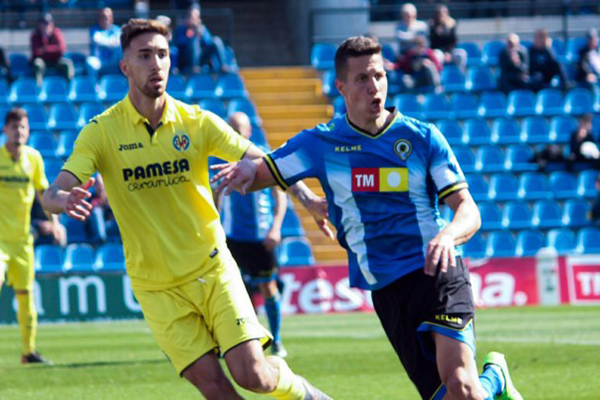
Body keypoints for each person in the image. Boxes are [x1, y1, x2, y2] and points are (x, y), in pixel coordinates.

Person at [212, 36, 523, 400]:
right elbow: (266, 170)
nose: (373, 86)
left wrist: (448, 236)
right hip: (386, 289)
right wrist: (245, 174)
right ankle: (496, 377)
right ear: (341, 87)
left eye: (378, 75)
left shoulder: (423, 139)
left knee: (462, 387)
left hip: (437, 271)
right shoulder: (321, 145)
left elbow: (468, 209)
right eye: (362, 78)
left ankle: (485, 381)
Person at [41, 19, 331, 399]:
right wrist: (63, 200)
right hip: (156, 287)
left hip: (211, 269)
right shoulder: (102, 132)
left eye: (162, 54)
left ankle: (304, 392)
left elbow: (264, 159)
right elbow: (51, 194)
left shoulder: (197, 122)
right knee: (216, 390)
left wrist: (308, 199)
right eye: (144, 56)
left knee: (253, 375)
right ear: (125, 66)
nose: (156, 64)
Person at [218, 112, 289, 358]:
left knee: (267, 287)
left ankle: (277, 339)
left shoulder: (263, 158)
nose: (237, 133)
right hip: (231, 237)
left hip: (260, 237)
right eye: (232, 128)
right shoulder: (219, 157)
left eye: (241, 129)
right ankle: (237, 340)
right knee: (227, 289)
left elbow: (281, 193)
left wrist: (276, 227)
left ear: (249, 131)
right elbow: (215, 195)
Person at [1, 107, 56, 365]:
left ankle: (28, 352)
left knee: (26, 299)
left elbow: (43, 194)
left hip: (23, 242)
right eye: (14, 127)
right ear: (5, 130)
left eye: (23, 127)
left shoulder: (34, 159)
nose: (19, 131)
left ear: (28, 130)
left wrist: (55, 223)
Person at [173, 5, 230, 74]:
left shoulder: (202, 29)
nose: (196, 20)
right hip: (186, 59)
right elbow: (179, 43)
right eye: (193, 18)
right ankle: (194, 67)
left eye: (197, 17)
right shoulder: (182, 28)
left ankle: (223, 66)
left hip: (201, 58)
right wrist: (190, 36)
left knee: (216, 40)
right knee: (194, 40)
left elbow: (209, 42)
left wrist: (201, 35)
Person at [30, 13, 74, 86]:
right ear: (39, 24)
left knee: (67, 64)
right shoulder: (35, 35)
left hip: (55, 60)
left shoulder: (57, 33)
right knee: (37, 64)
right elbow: (36, 52)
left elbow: (61, 49)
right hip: (42, 61)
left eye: (47, 23)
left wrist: (45, 49)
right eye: (43, 23)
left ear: (52, 24)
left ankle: (69, 88)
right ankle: (39, 89)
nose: (45, 26)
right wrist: (47, 42)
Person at [428, 4, 467, 71]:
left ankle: (459, 74)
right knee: (437, 56)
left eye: (443, 13)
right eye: (439, 14)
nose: (441, 15)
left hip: (450, 50)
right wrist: (437, 32)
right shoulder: (433, 26)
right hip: (438, 50)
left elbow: (453, 41)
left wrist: (448, 52)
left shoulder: (451, 25)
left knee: (461, 53)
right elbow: (433, 43)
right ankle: (440, 76)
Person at [88, 8, 122, 78]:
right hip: (99, 61)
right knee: (90, 62)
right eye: (101, 17)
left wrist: (108, 42)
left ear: (111, 19)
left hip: (113, 60)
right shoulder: (94, 29)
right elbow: (97, 40)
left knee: (121, 52)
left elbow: (119, 43)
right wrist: (112, 43)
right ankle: (95, 87)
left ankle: (125, 84)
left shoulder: (117, 30)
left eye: (106, 17)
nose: (104, 20)